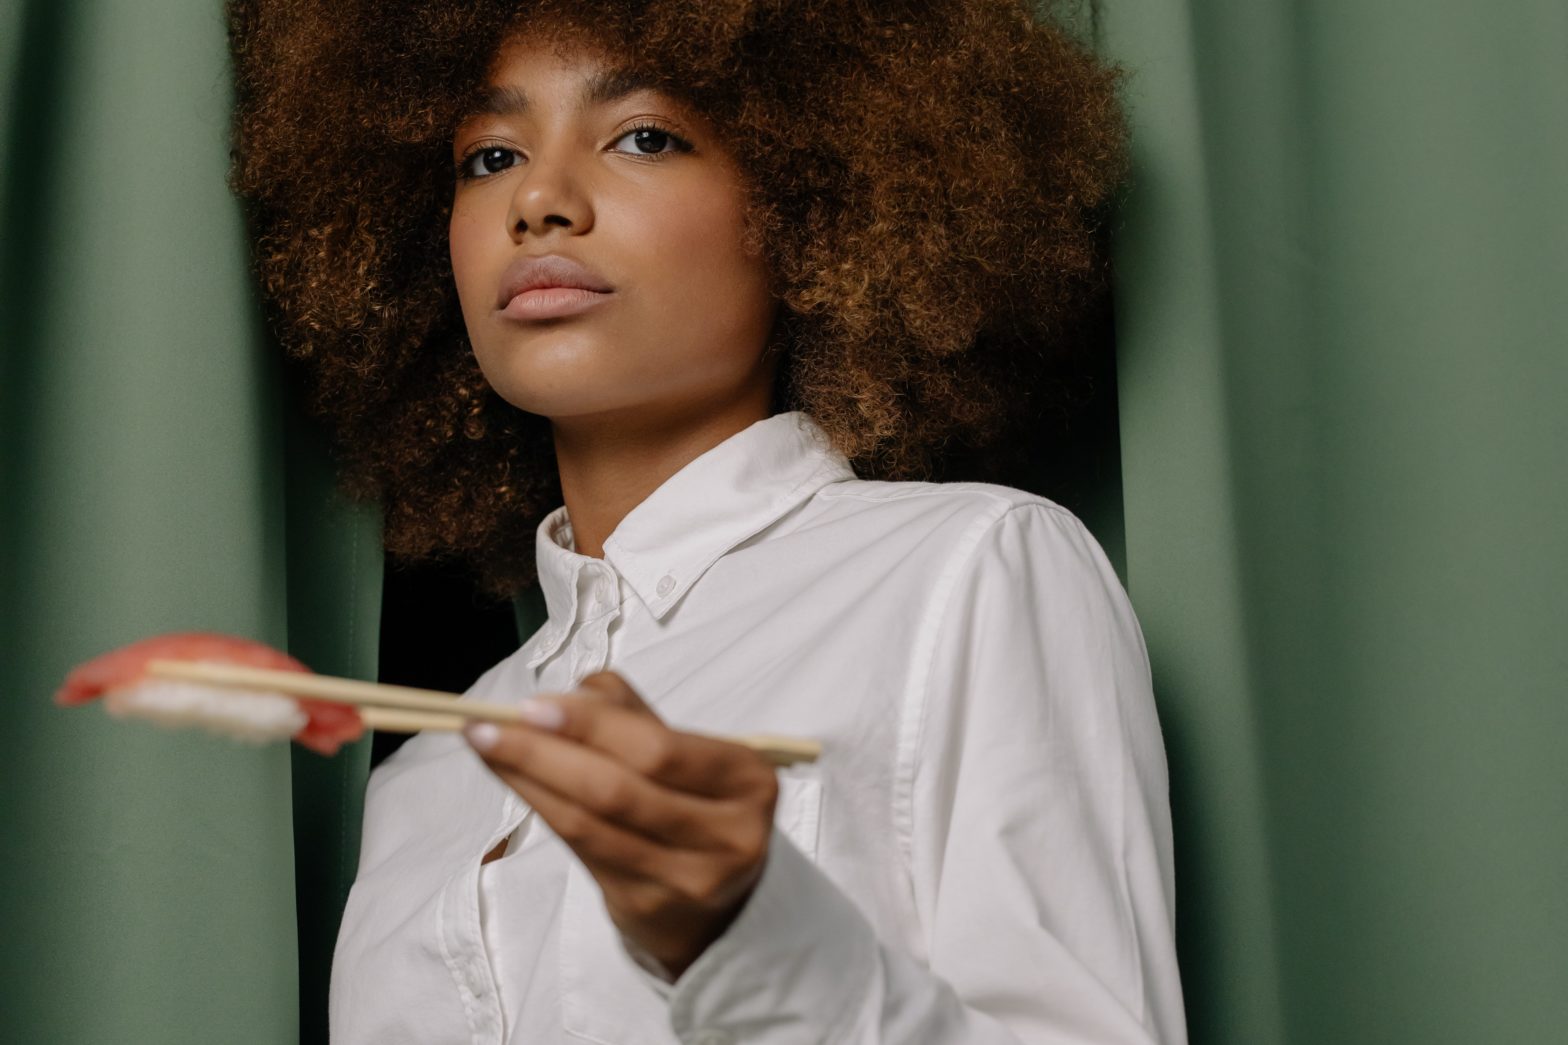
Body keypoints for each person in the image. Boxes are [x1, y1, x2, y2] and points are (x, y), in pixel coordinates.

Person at [227, 0, 1186, 1041]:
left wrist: (748, 930)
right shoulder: (425, 778)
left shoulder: (971, 571)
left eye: (644, 137)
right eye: (489, 155)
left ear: (814, 207)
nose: (538, 200)